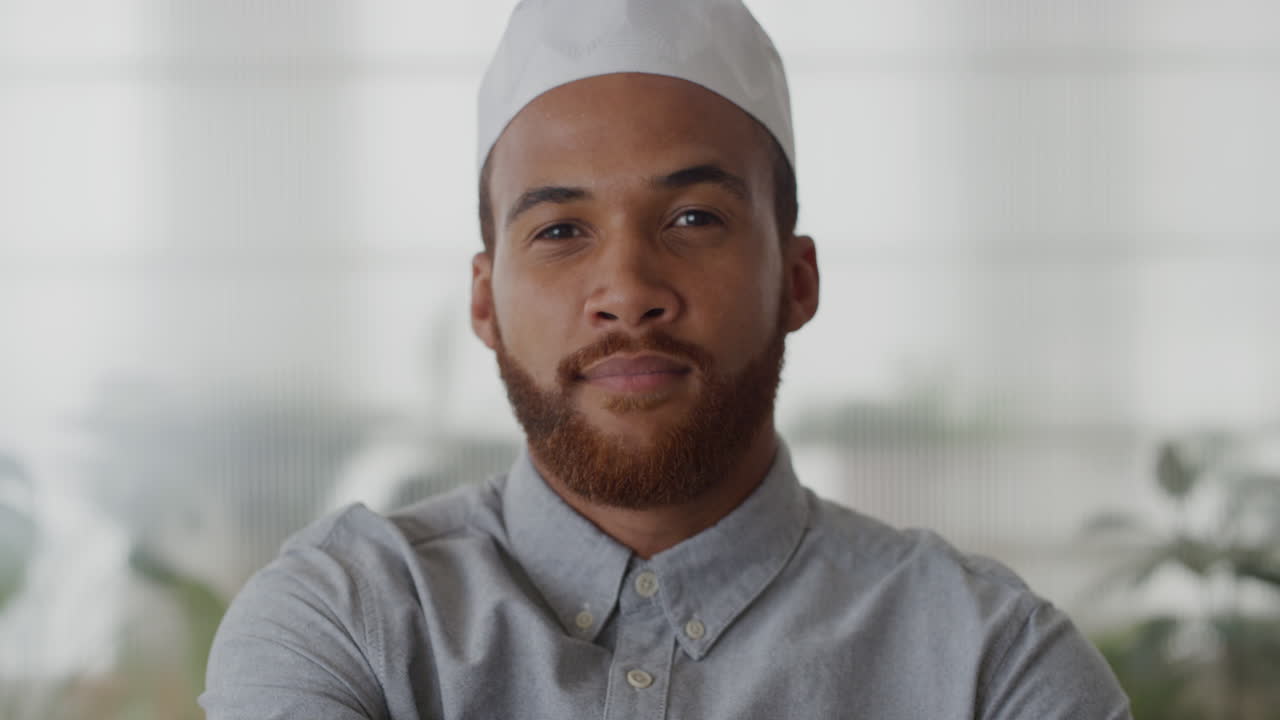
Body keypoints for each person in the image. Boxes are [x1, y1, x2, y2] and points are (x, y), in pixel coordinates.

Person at [200, 1, 1133, 718]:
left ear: (796, 279)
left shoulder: (989, 663)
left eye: (694, 219)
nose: (627, 287)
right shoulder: (345, 622)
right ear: (484, 300)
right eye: (561, 229)